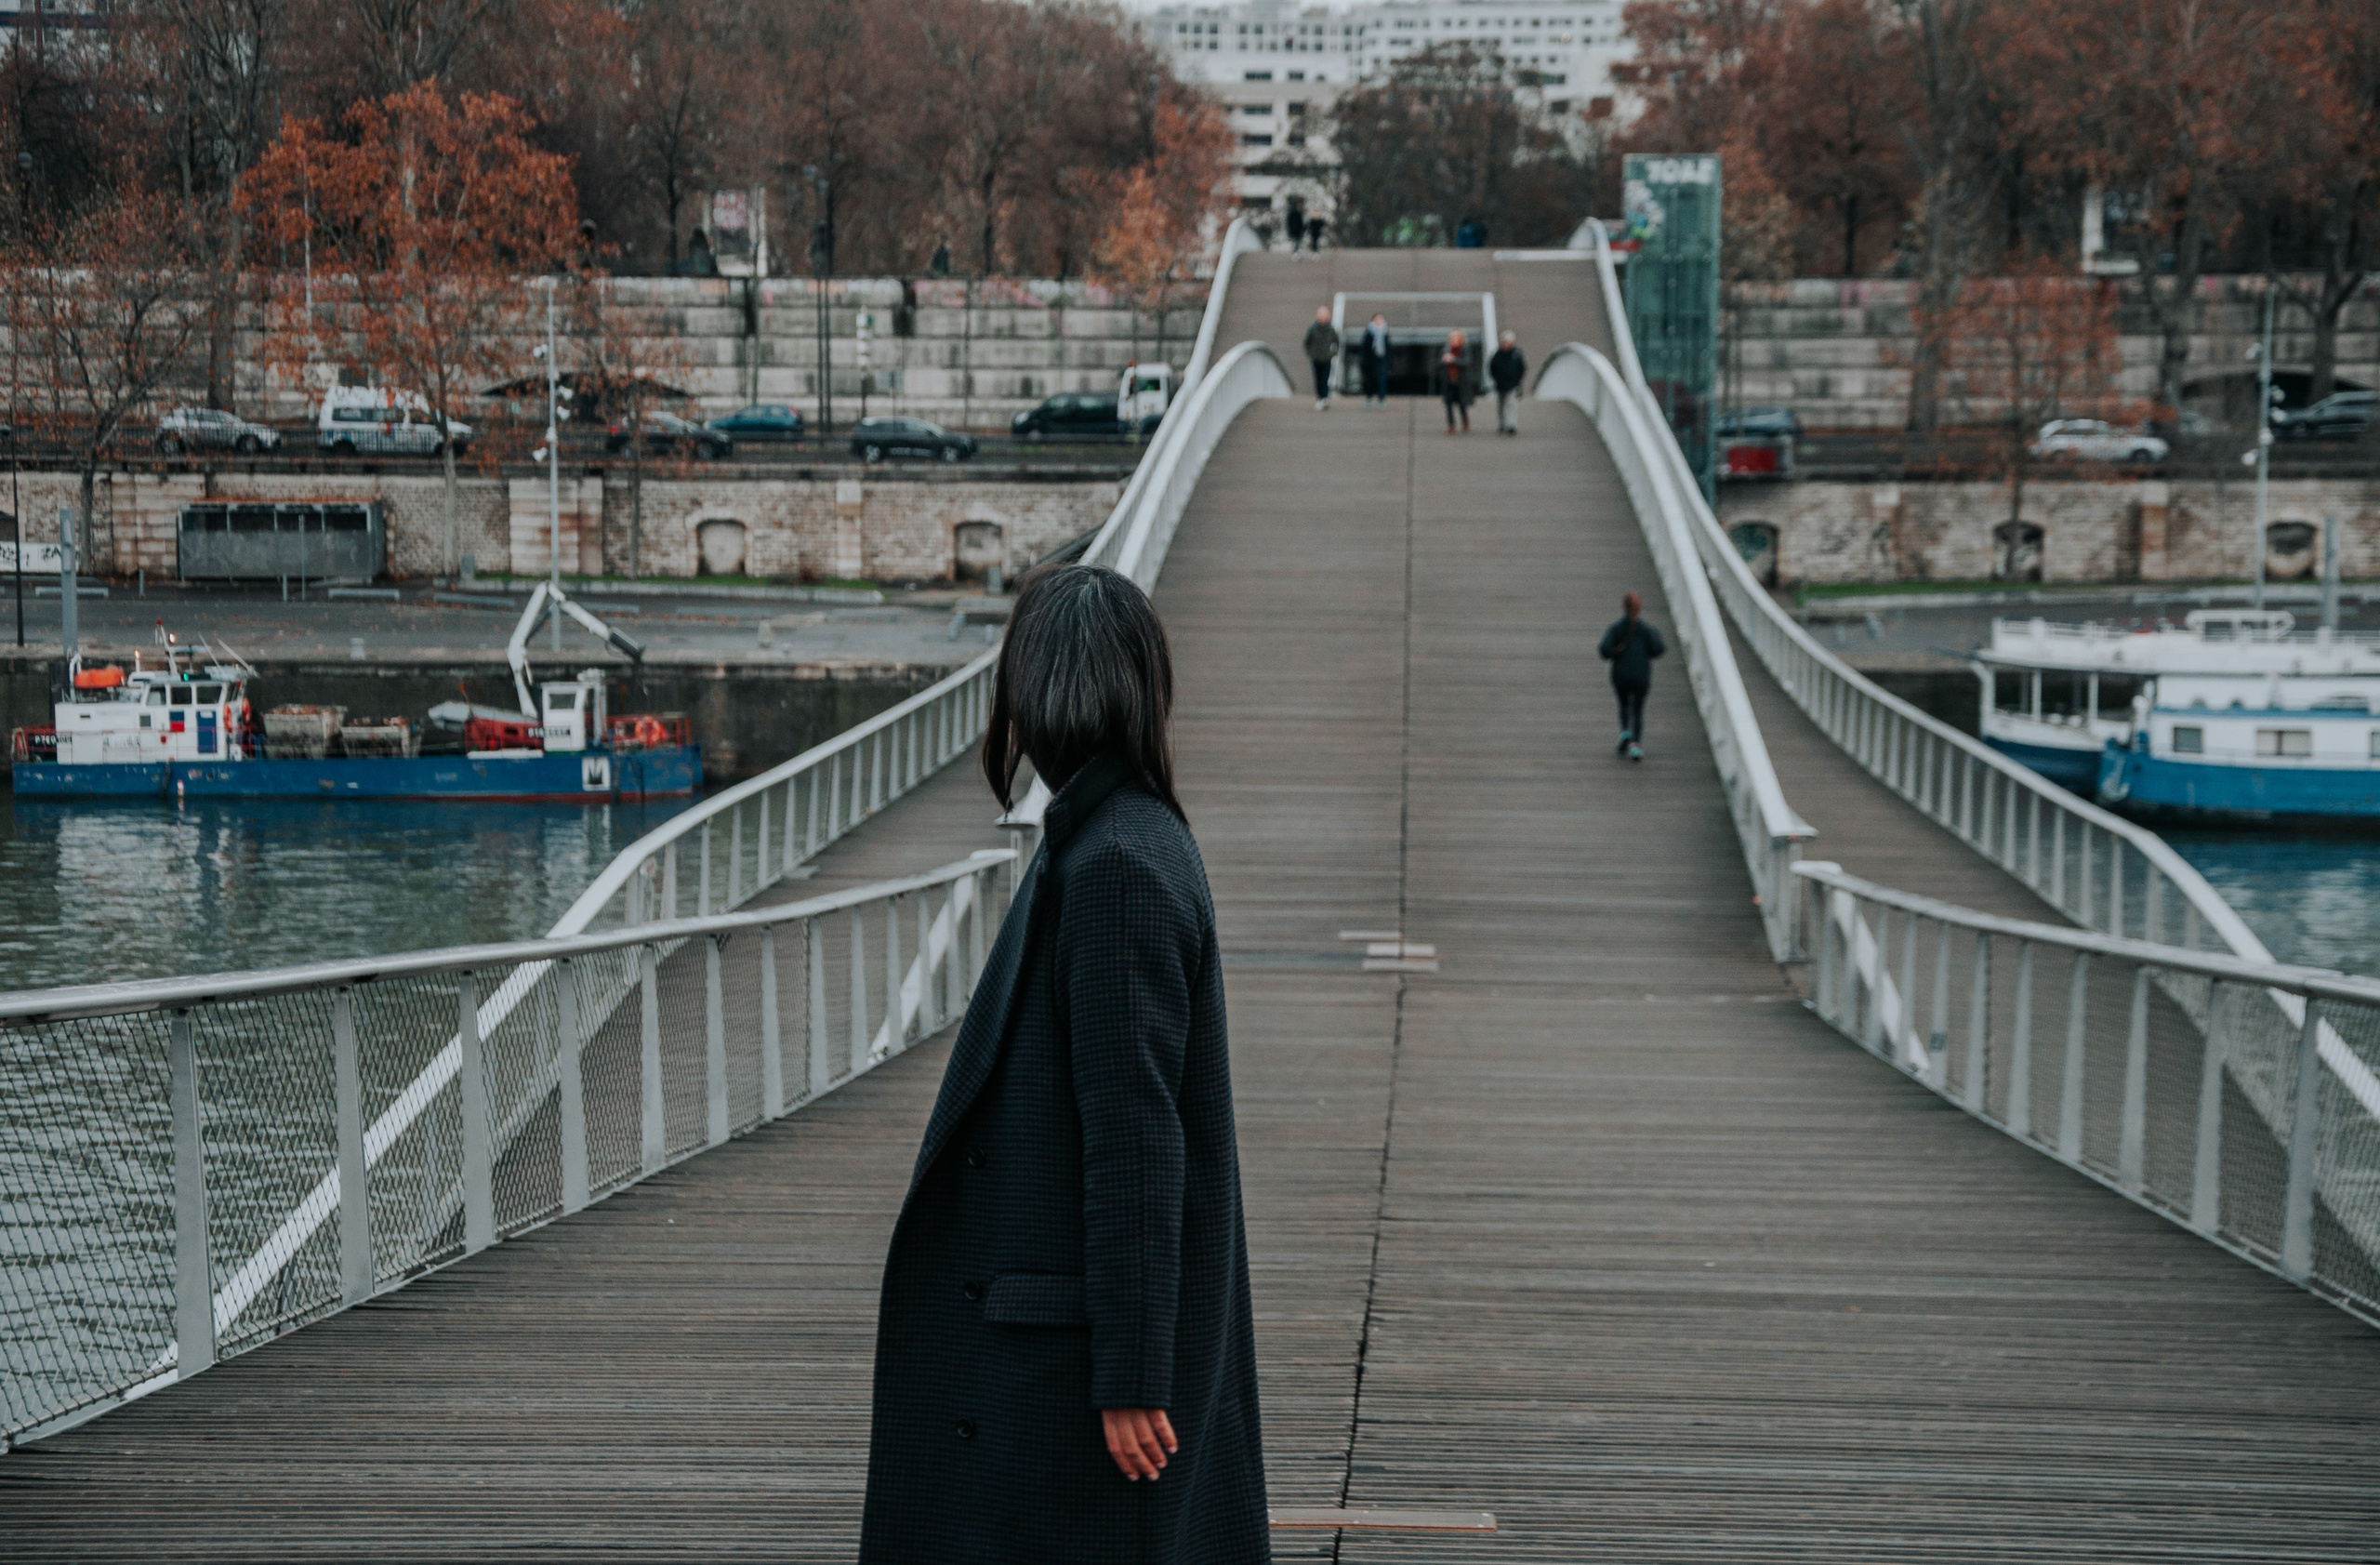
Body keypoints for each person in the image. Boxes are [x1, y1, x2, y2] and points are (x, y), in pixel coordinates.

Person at [859, 564, 1269, 1564]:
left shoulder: (1114, 864)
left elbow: (1136, 1138)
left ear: (1026, 694)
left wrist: (1132, 1373)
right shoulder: (1123, 834)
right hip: (1057, 1338)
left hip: (1066, 1365)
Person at [1597, 590, 1665, 762]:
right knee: (1638, 709)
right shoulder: (1647, 630)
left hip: (1620, 675)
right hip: (1641, 676)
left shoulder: (1615, 629)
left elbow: (1604, 650)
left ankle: (1625, 732)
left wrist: (1615, 653)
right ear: (1639, 608)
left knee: (1624, 704)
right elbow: (1658, 649)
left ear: (1624, 607)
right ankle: (1635, 744)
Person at [1488, 330, 1527, 436]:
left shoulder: (1516, 354)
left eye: (1509, 342)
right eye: (1505, 342)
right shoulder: (1497, 355)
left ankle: (1511, 425)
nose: (1507, 344)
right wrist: (1496, 379)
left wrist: (1517, 380)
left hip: (1512, 384)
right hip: (1500, 384)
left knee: (1511, 404)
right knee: (1501, 405)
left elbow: (1522, 368)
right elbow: (1492, 368)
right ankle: (1502, 423)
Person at [1304, 306, 1340, 412]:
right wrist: (1311, 354)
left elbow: (1337, 342)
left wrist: (1333, 354)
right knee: (1318, 379)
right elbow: (1307, 343)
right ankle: (1320, 398)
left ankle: (1324, 398)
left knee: (1325, 379)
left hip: (1327, 358)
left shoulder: (1331, 329)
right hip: (1316, 358)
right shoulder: (1313, 328)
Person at [1436, 329, 1473, 433]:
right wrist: (1444, 360)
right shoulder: (1445, 350)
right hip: (1448, 380)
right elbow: (1439, 363)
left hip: (1461, 381)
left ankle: (1465, 420)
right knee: (1448, 403)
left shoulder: (1465, 349)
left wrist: (1453, 360)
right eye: (1452, 338)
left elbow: (1467, 362)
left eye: (1456, 338)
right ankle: (1451, 425)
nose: (1454, 340)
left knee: (1462, 403)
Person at [1357, 312, 1391, 407]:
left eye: (1381, 319)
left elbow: (1389, 348)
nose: (1379, 321)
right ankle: (1369, 397)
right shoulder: (1369, 332)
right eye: (1377, 319)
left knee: (1382, 379)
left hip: (1382, 359)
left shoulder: (1385, 332)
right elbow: (1364, 347)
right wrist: (1364, 360)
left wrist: (1389, 361)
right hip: (1371, 360)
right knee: (1370, 379)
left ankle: (1381, 398)